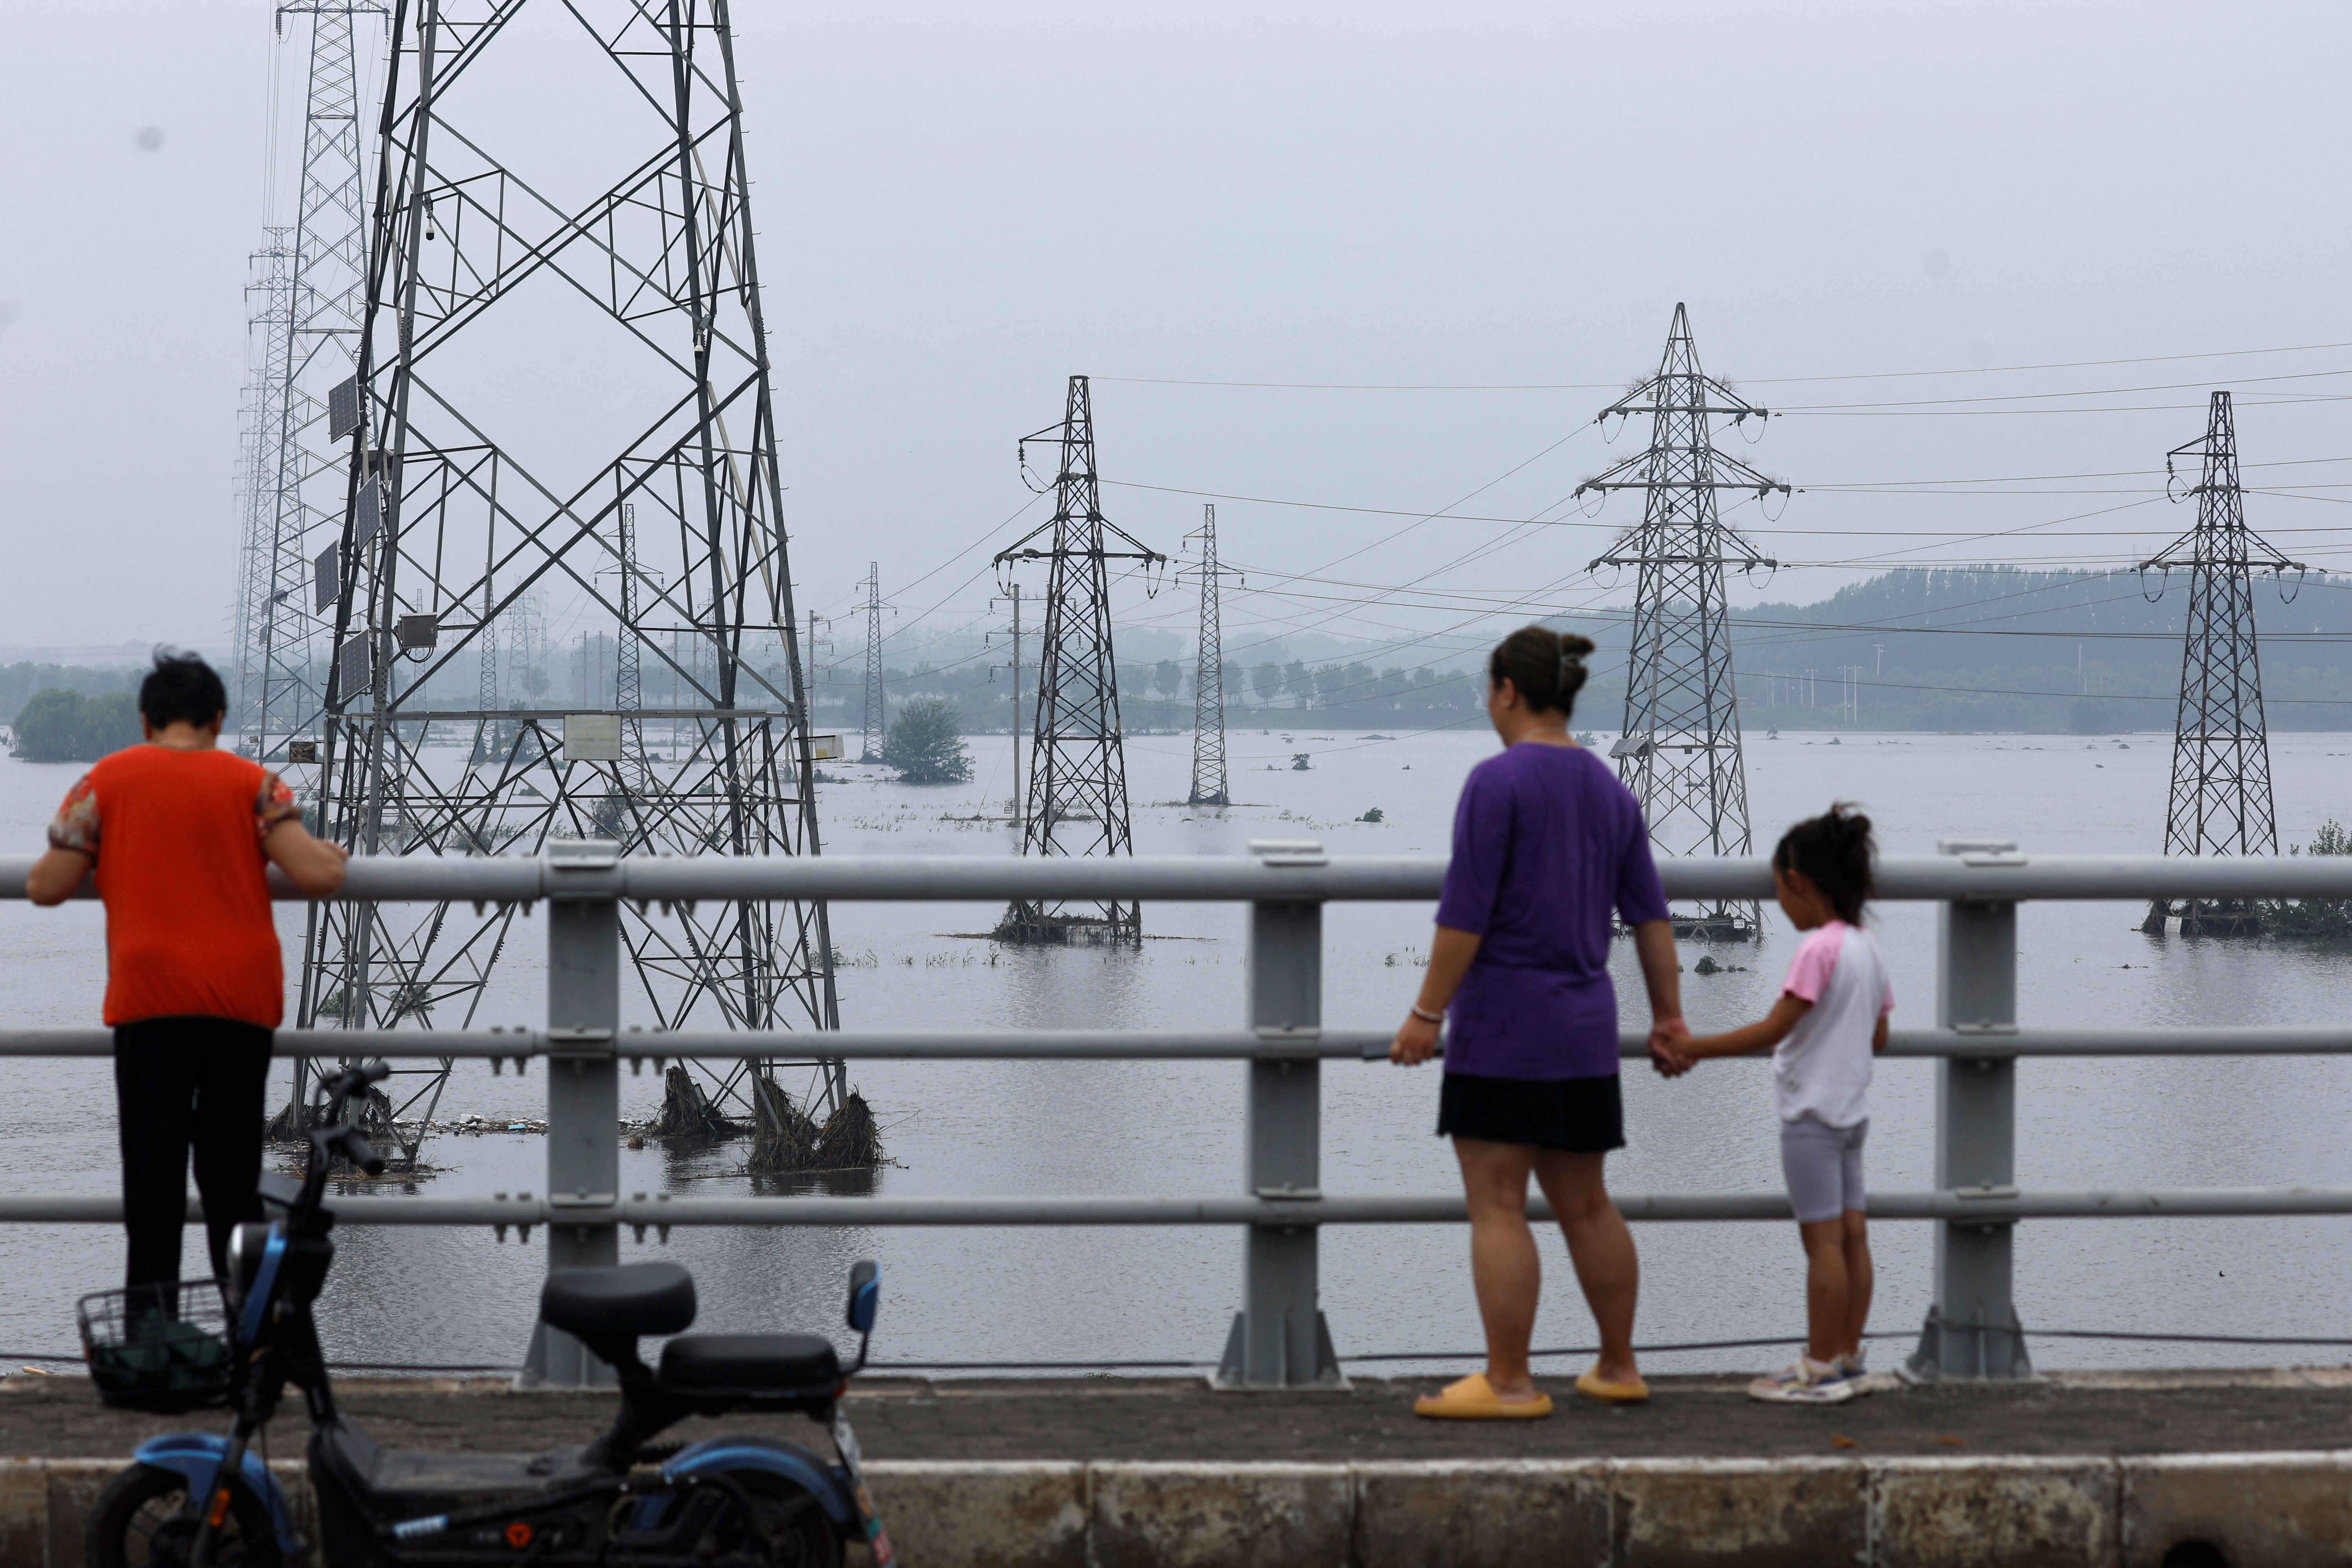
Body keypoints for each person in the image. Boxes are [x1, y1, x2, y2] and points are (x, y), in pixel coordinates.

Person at [1391, 626, 1686, 1419]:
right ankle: (1619, 1365)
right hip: (1586, 1024)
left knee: (1497, 1204)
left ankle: (1511, 1381)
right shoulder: (1609, 788)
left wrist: (1426, 1013)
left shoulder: (1498, 782)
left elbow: (1465, 918)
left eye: (1489, 692)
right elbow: (1651, 918)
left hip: (1505, 1027)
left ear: (1508, 691)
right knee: (1588, 1203)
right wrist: (1669, 1017)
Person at [25, 652, 349, 1299]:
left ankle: (153, 1336)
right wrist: (330, 853)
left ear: (146, 720)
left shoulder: (104, 783)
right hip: (241, 1005)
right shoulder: (255, 784)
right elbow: (316, 876)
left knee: (153, 1183)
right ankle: (246, 1341)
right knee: (232, 1185)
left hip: (150, 1003)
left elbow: (45, 887)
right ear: (218, 719)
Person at [1650, 804, 1890, 1405]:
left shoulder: (1817, 951)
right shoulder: (1868, 948)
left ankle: (1817, 1367)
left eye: (1779, 893)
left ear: (1798, 883)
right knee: (1855, 1235)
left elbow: (1774, 1028)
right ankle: (1850, 1360)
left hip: (1809, 1117)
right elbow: (1879, 1035)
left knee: (1823, 1244)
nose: (1779, 907)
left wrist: (1695, 1047)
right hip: (1853, 1113)